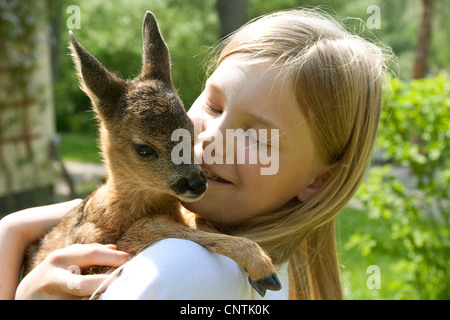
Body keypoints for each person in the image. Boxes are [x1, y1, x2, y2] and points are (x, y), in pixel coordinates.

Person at [0, 8, 390, 300]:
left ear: (320, 179)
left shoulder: (179, 272)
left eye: (258, 136)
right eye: (214, 106)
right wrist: (13, 230)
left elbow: (142, 236)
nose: (208, 141)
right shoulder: (282, 272)